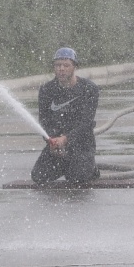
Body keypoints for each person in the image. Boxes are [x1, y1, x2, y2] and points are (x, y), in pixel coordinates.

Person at [31, 47, 100, 184]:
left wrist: (66, 139)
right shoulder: (46, 90)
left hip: (81, 144)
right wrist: (51, 141)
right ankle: (65, 165)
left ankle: (91, 169)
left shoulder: (89, 89)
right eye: (58, 65)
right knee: (38, 176)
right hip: (56, 145)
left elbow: (86, 123)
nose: (61, 69)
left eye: (66, 65)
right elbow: (44, 121)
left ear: (75, 67)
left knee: (77, 179)